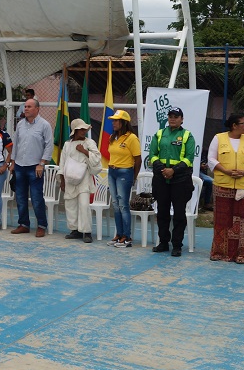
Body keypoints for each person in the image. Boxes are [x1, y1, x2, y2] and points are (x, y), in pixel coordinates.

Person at [208, 114, 244, 263]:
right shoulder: (219, 138)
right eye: (243, 124)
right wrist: (226, 171)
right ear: (234, 126)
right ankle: (219, 252)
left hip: (243, 186)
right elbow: (211, 159)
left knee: (242, 221)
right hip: (222, 185)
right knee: (221, 220)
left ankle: (241, 254)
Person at [149, 106, 195, 257]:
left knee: (179, 214)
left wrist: (173, 170)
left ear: (182, 119)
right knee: (162, 212)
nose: (173, 119)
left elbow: (189, 158)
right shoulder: (159, 134)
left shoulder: (187, 136)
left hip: (180, 180)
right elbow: (152, 155)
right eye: (170, 116)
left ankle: (177, 245)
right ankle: (163, 242)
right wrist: (163, 169)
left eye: (176, 116)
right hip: (162, 178)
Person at [9, 98, 54, 237]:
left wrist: (42, 163)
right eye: (25, 107)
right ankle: (24, 224)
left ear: (37, 109)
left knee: (36, 198)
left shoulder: (44, 125)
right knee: (20, 197)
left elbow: (49, 145)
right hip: (20, 166)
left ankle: (41, 225)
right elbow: (15, 144)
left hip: (35, 167)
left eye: (29, 106)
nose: (26, 109)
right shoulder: (21, 125)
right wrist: (13, 162)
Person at [58, 118, 102, 243]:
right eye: (80, 129)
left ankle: (87, 232)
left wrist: (84, 151)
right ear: (75, 131)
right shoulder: (67, 144)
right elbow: (63, 163)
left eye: (84, 129)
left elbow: (97, 157)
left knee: (84, 205)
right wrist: (62, 180)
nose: (83, 131)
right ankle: (75, 230)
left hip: (84, 178)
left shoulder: (89, 143)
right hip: (69, 178)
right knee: (70, 204)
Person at [105, 110, 142, 247]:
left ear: (124, 122)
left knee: (123, 205)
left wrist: (133, 177)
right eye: (113, 120)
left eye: (116, 120)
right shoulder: (112, 137)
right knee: (115, 204)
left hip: (124, 172)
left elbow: (138, 160)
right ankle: (119, 234)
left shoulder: (132, 138)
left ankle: (127, 237)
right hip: (112, 171)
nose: (113, 123)